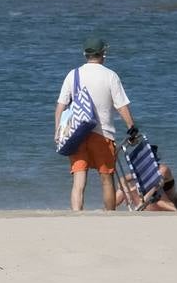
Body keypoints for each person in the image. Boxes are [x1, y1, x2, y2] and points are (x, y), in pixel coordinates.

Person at [54, 36, 138, 211]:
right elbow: (121, 106)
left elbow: (60, 107)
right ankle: (109, 215)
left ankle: (77, 215)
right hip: (103, 134)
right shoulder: (110, 76)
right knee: (107, 179)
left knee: (78, 180)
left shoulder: (73, 74)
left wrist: (58, 132)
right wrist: (131, 127)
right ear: (103, 54)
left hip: (76, 133)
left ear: (85, 54)